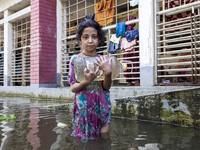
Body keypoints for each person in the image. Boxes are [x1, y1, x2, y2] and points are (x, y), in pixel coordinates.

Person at [68, 16, 112, 140]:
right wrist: (87, 81)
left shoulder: (103, 60)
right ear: (80, 40)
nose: (90, 40)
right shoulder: (75, 60)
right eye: (85, 37)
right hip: (84, 108)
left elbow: (106, 87)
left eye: (94, 36)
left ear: (99, 39)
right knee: (84, 140)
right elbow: (73, 88)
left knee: (104, 139)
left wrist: (108, 73)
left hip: (102, 106)